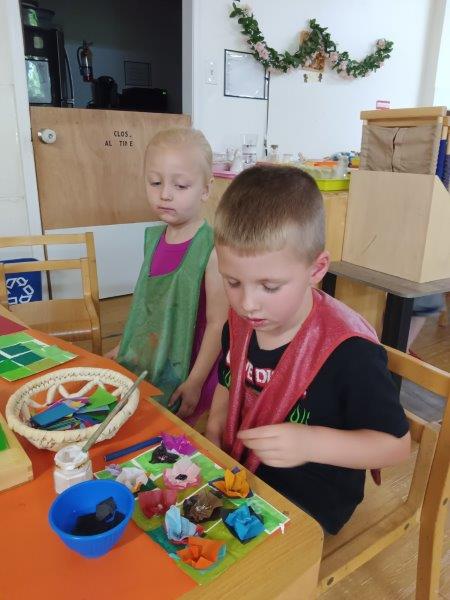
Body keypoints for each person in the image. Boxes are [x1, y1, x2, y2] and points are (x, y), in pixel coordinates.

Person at [205, 164, 410, 534]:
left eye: (269, 287)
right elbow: (227, 378)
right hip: (242, 470)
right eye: (232, 282)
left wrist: (310, 442)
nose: (248, 304)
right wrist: (215, 426)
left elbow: (396, 446)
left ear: (316, 269)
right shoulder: (239, 323)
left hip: (312, 499)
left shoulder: (350, 352)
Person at [107, 128, 228, 425]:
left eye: (181, 185)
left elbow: (218, 324)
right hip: (152, 357)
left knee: (178, 436)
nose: (165, 194)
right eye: (155, 182)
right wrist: (125, 345)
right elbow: (148, 306)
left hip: (193, 369)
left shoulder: (211, 249)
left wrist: (196, 381)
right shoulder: (153, 239)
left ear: (206, 189)